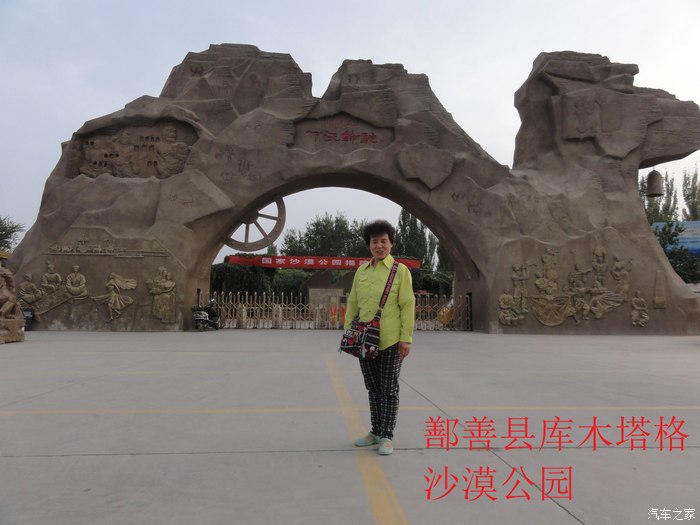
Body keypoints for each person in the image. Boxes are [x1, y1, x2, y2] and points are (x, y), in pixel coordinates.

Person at [344, 220, 415, 456]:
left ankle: (387, 436)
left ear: (391, 243)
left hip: (391, 340)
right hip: (365, 340)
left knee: (388, 388)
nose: (379, 245)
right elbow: (353, 301)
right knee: (372, 387)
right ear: (369, 245)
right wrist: (348, 330)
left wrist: (406, 338)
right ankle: (375, 431)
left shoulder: (400, 271)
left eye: (384, 241)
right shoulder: (362, 271)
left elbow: (407, 304)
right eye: (375, 241)